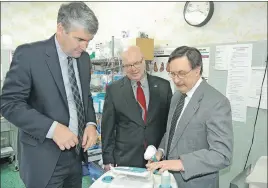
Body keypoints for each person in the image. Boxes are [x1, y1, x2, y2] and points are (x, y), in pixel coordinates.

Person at [0, 2, 99, 188]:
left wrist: (91, 124)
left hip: (76, 156)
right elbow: (9, 104)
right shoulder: (29, 55)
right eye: (79, 39)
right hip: (43, 158)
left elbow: (85, 98)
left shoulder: (84, 60)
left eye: (89, 41)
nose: (85, 47)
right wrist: (53, 129)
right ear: (61, 28)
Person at [146, 46, 233, 188]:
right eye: (172, 74)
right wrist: (160, 152)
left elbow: (222, 155)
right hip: (171, 180)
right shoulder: (177, 96)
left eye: (181, 73)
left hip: (196, 183)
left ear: (197, 69)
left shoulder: (217, 103)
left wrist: (181, 163)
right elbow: (172, 133)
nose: (176, 80)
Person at [101, 46, 173, 170]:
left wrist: (165, 151)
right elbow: (108, 128)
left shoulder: (163, 87)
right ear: (123, 67)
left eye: (136, 63)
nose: (133, 69)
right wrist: (108, 159)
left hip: (157, 157)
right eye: (128, 65)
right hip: (125, 158)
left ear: (143, 61)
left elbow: (170, 124)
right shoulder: (114, 90)